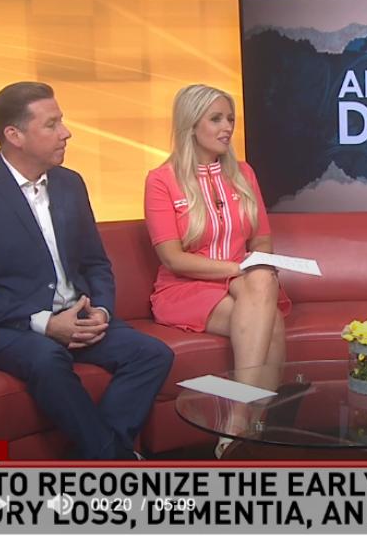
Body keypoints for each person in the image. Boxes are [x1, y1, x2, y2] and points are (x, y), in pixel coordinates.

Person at [0, 82, 173, 460]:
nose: (66, 133)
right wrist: (47, 324)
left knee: (152, 354)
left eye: (61, 122)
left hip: (79, 318)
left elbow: (96, 263)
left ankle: (97, 459)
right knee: (49, 359)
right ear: (14, 135)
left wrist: (101, 311)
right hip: (10, 327)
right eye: (52, 125)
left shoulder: (70, 184)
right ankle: (113, 462)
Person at [144, 84, 291, 458]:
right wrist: (237, 269)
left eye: (230, 119)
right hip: (186, 288)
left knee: (262, 277)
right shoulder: (161, 180)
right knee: (268, 316)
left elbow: (262, 243)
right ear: (191, 125)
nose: (227, 127)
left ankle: (241, 421)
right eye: (216, 119)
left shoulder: (243, 173)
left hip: (244, 286)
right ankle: (253, 422)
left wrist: (250, 268)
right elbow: (173, 259)